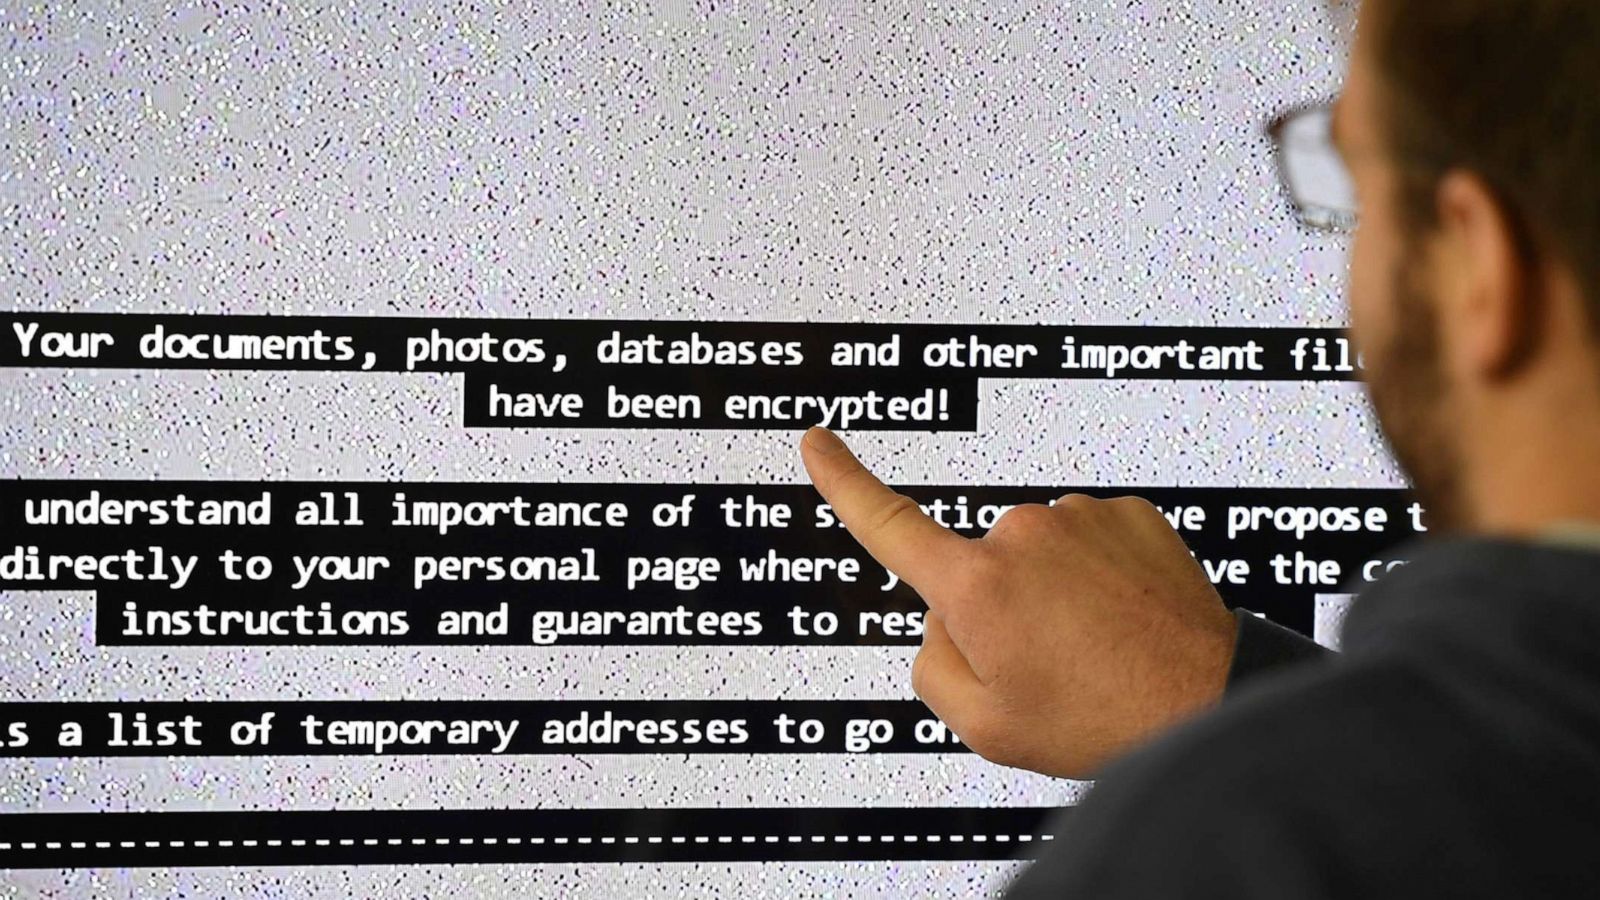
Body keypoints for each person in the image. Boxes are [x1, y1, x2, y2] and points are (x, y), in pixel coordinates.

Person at [799, 0, 1600, 895]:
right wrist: (1215, 694)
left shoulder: (1185, 862)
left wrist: (1245, 802)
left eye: (1358, 193)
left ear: (1480, 265)